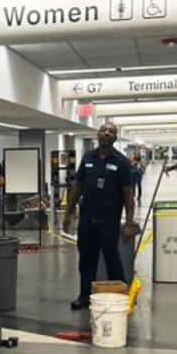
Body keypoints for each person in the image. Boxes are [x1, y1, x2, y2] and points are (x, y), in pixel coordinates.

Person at [63, 122, 136, 310]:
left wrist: (128, 223)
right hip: (87, 219)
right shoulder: (88, 158)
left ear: (115, 137)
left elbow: (128, 194)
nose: (106, 133)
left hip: (109, 220)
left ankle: (121, 295)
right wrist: (68, 213)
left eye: (111, 131)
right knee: (86, 259)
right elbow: (77, 187)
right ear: (98, 135)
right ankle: (84, 296)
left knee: (112, 258)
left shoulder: (121, 162)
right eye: (103, 130)